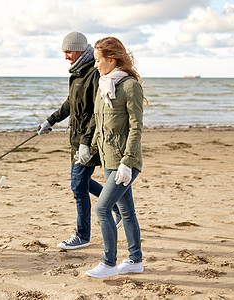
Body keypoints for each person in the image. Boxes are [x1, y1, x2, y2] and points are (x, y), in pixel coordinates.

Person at [37, 32, 121, 250]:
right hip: (77, 139)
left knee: (77, 186)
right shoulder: (76, 73)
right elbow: (70, 103)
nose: (65, 56)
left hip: (89, 140)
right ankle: (117, 206)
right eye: (64, 52)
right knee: (81, 183)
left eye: (68, 51)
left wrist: (85, 143)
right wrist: (50, 120)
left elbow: (97, 112)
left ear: (80, 49)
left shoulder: (94, 73)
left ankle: (82, 235)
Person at [85, 36, 144, 278]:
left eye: (98, 60)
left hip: (125, 162)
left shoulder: (129, 86)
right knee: (127, 211)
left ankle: (109, 264)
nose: (96, 65)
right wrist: (88, 148)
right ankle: (135, 261)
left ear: (112, 59)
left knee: (102, 208)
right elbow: (100, 123)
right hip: (109, 159)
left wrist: (128, 163)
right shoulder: (104, 84)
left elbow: (136, 127)